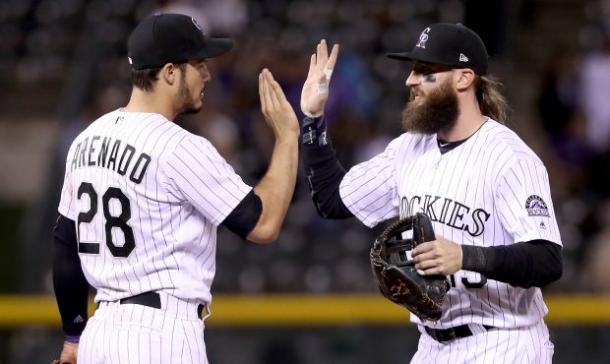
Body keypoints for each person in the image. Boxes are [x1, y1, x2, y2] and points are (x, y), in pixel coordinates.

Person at [300, 24, 562, 363]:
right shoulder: (408, 149)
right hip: (432, 346)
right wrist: (312, 118)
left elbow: (547, 260)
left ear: (464, 78)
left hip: (503, 342)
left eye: (425, 71)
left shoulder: (509, 157)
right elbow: (333, 199)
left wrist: (466, 256)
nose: (410, 80)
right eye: (412, 70)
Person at [52, 13, 299, 364]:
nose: (208, 75)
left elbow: (65, 245)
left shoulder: (86, 140)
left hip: (100, 331)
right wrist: (288, 138)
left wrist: (73, 336)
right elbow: (263, 224)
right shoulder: (179, 147)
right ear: (170, 72)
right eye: (199, 64)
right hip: (161, 332)